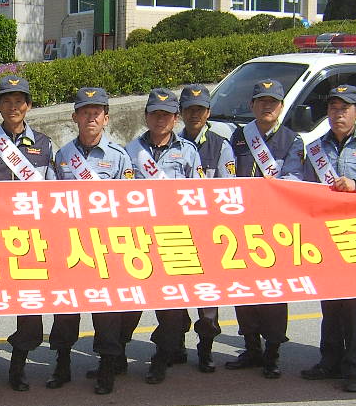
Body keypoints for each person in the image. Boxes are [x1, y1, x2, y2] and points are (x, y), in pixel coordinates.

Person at [299, 84, 356, 392]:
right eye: (333, 108)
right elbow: (302, 187)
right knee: (331, 303)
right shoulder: (315, 148)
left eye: (344, 108)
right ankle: (330, 360)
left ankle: (355, 368)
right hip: (326, 236)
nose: (337, 113)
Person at [51, 87, 134, 395]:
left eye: (96, 113)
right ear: (75, 117)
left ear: (106, 118)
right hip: (71, 245)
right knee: (66, 310)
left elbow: (128, 205)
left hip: (106, 248)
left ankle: (107, 368)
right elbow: (51, 201)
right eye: (84, 112)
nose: (90, 118)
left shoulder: (119, 157)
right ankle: (62, 364)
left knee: (107, 312)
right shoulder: (63, 156)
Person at [0, 75, 57, 391]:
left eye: (19, 101)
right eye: (7, 101)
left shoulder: (44, 144)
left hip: (30, 240)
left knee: (30, 308)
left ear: (29, 106)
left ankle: (19, 362)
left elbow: (51, 193)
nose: (13, 107)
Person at [225, 80, 305, 379]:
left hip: (275, 227)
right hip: (241, 226)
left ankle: (272, 352)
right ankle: (251, 347)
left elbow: (294, 179)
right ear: (252, 106)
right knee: (244, 290)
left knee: (273, 292)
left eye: (272, 102)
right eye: (261, 101)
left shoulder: (291, 140)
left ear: (281, 106)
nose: (266, 106)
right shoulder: (239, 137)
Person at [125, 88, 203, 384]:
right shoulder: (130, 151)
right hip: (138, 237)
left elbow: (199, 195)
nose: (160, 120)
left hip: (175, 236)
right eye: (155, 114)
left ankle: (161, 358)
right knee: (130, 303)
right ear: (146, 116)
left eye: (166, 115)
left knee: (171, 306)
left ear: (175, 118)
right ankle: (115, 355)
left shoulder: (188, 151)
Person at [178, 84, 236, 371]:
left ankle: (205, 348)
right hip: (175, 234)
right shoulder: (171, 143)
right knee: (174, 298)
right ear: (180, 112)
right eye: (189, 109)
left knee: (208, 301)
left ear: (208, 112)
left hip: (208, 234)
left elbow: (228, 190)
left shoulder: (220, 145)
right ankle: (174, 346)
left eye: (199, 109)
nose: (194, 114)